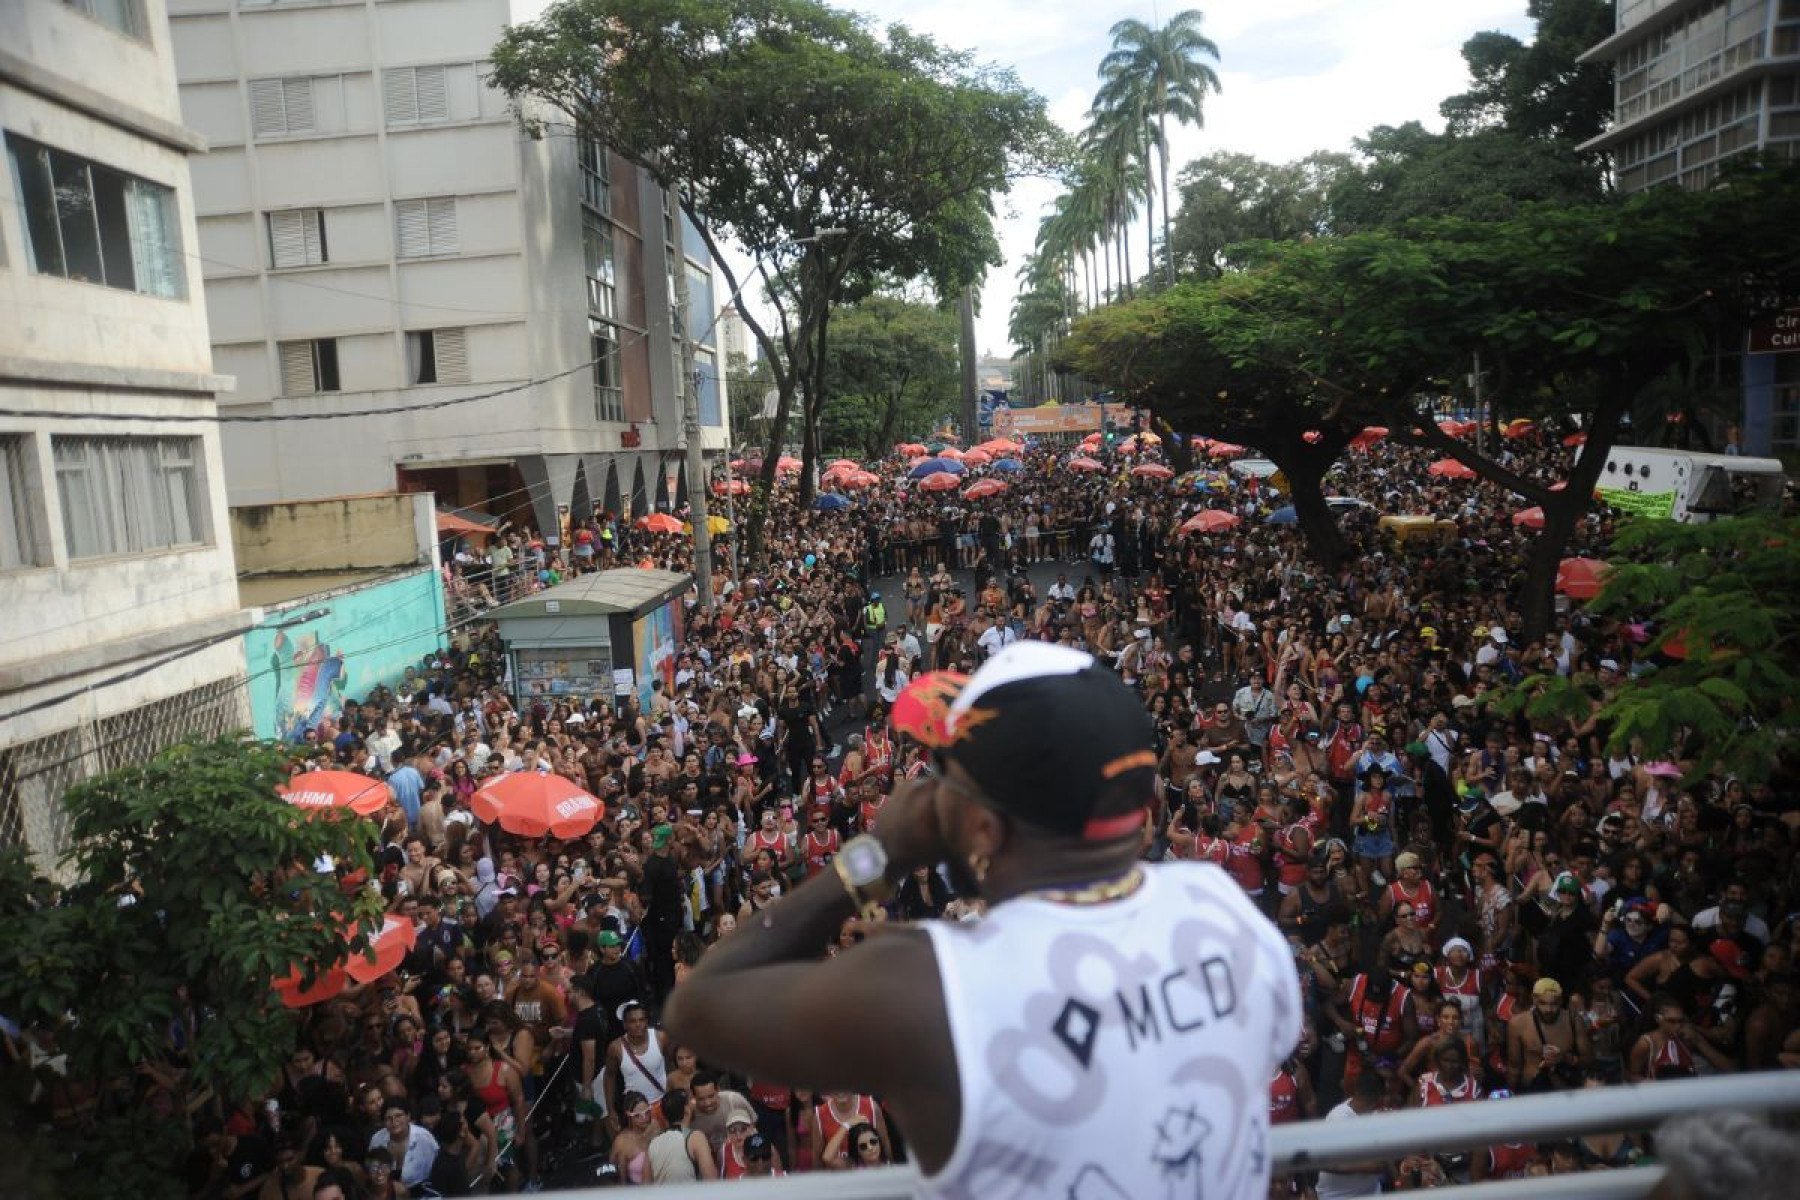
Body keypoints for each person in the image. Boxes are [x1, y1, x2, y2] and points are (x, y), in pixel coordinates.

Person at [666, 642, 1302, 1198]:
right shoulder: (1226, 915)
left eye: (945, 778)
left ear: (984, 827)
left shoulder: (934, 986)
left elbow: (696, 1006)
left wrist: (871, 861)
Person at [647, 1087, 718, 1183]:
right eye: (690, 1102)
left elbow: (646, 1185)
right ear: (687, 1110)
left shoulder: (653, 1143)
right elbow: (712, 1180)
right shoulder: (696, 1138)